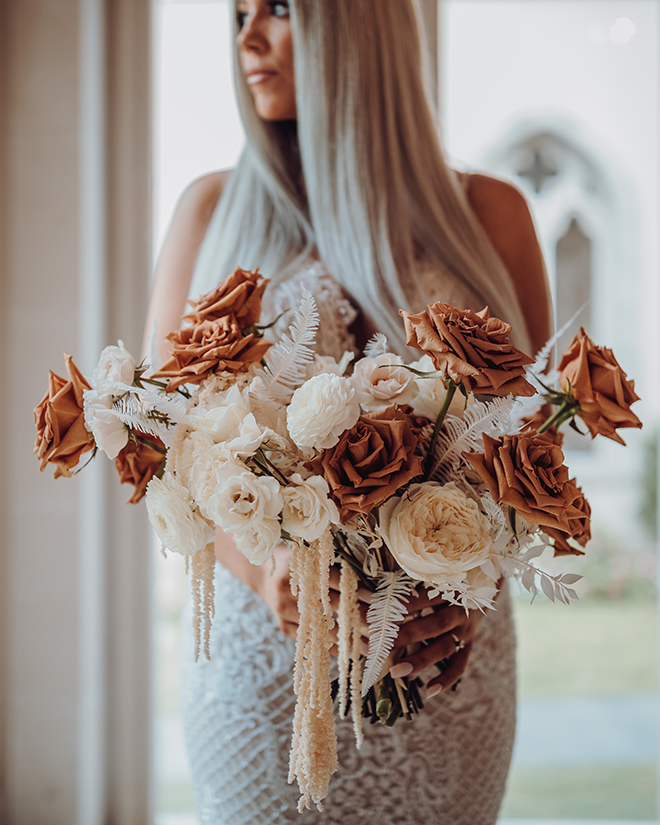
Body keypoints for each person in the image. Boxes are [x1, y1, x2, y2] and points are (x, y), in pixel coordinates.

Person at [145, 1, 551, 822]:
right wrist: (265, 573)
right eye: (240, 13)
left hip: (445, 673)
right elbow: (161, 453)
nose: (248, 35)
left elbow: (531, 454)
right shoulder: (210, 210)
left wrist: (468, 589)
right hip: (267, 677)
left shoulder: (491, 216)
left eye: (281, 9)